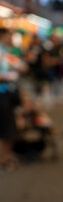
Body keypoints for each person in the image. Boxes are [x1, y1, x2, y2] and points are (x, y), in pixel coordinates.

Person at [0, 28, 25, 170]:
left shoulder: (7, 52)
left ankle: (6, 156)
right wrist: (10, 75)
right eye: (9, 35)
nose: (11, 38)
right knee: (5, 128)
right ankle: (3, 158)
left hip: (8, 93)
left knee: (10, 127)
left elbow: (22, 67)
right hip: (2, 94)